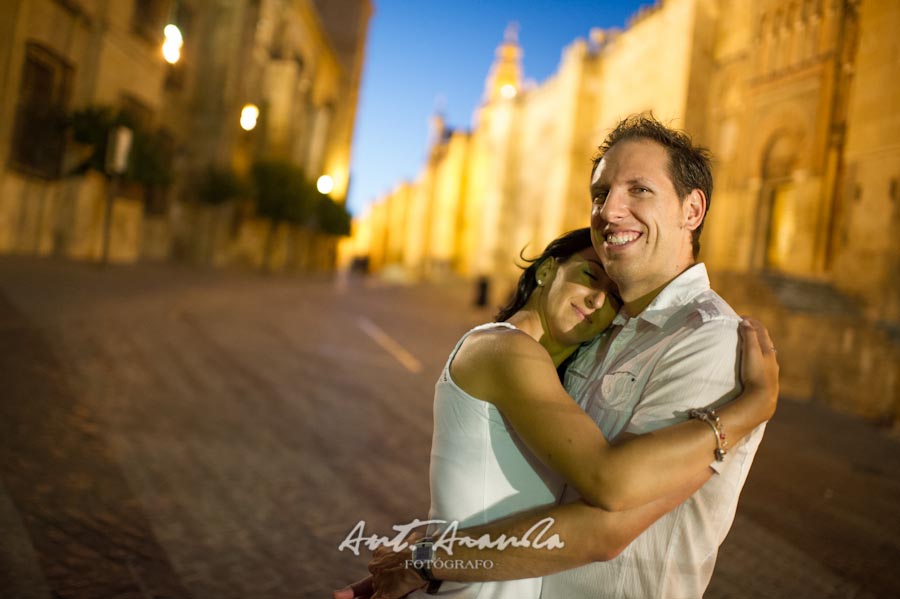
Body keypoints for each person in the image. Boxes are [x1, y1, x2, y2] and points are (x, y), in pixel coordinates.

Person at [335, 152, 778, 596]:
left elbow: (607, 521)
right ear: (548, 270)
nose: (609, 210)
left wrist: (425, 560)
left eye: (639, 189)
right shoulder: (525, 347)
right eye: (600, 194)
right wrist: (749, 411)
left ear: (692, 209)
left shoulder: (709, 339)